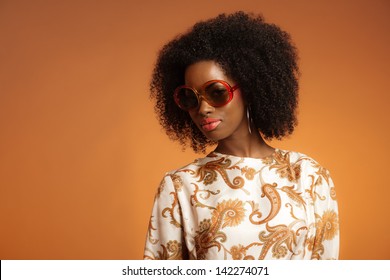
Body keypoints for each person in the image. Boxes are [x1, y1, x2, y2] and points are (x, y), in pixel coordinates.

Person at [143, 11, 339, 260]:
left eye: (216, 92)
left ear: (250, 87)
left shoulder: (309, 176)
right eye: (190, 98)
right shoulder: (180, 187)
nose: (203, 108)